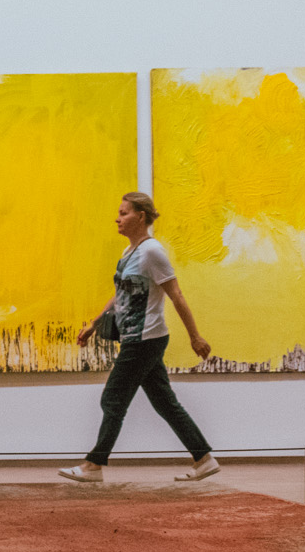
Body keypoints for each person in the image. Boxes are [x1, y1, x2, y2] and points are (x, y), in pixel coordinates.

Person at [60, 191, 219, 484]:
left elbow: (176, 295)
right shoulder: (129, 252)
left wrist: (195, 337)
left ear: (140, 216)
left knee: (113, 399)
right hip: (137, 338)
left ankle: (93, 465)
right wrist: (95, 323)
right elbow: (120, 294)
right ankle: (204, 459)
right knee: (165, 403)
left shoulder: (152, 252)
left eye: (124, 213)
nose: (117, 219)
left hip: (145, 339)